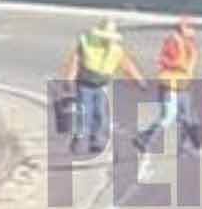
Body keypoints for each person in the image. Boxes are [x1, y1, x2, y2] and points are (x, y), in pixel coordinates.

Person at [59, 16, 145, 154]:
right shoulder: (87, 44)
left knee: (99, 113)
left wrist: (138, 80)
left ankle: (96, 140)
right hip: (85, 84)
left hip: (101, 85)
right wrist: (69, 79)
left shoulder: (116, 50)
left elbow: (127, 65)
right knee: (85, 112)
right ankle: (79, 139)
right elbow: (75, 62)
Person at [134, 15, 202, 158]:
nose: (193, 31)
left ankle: (185, 146)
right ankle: (145, 139)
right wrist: (182, 65)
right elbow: (166, 60)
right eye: (190, 28)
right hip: (170, 85)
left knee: (187, 118)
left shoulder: (187, 43)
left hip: (182, 85)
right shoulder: (174, 41)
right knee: (168, 116)